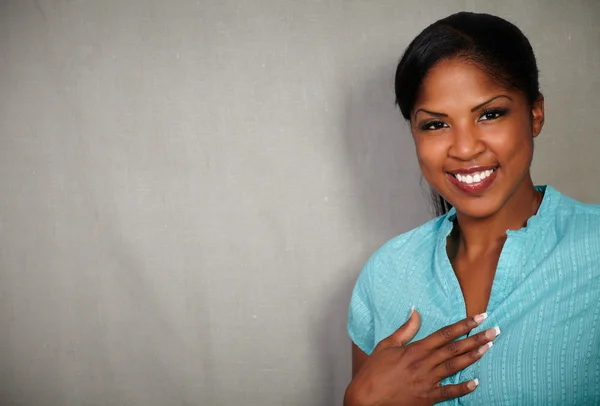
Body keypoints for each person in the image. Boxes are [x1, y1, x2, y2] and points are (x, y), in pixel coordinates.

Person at [344, 11, 600, 406]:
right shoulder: (385, 274)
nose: (464, 148)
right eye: (435, 124)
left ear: (535, 114)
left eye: (490, 114)